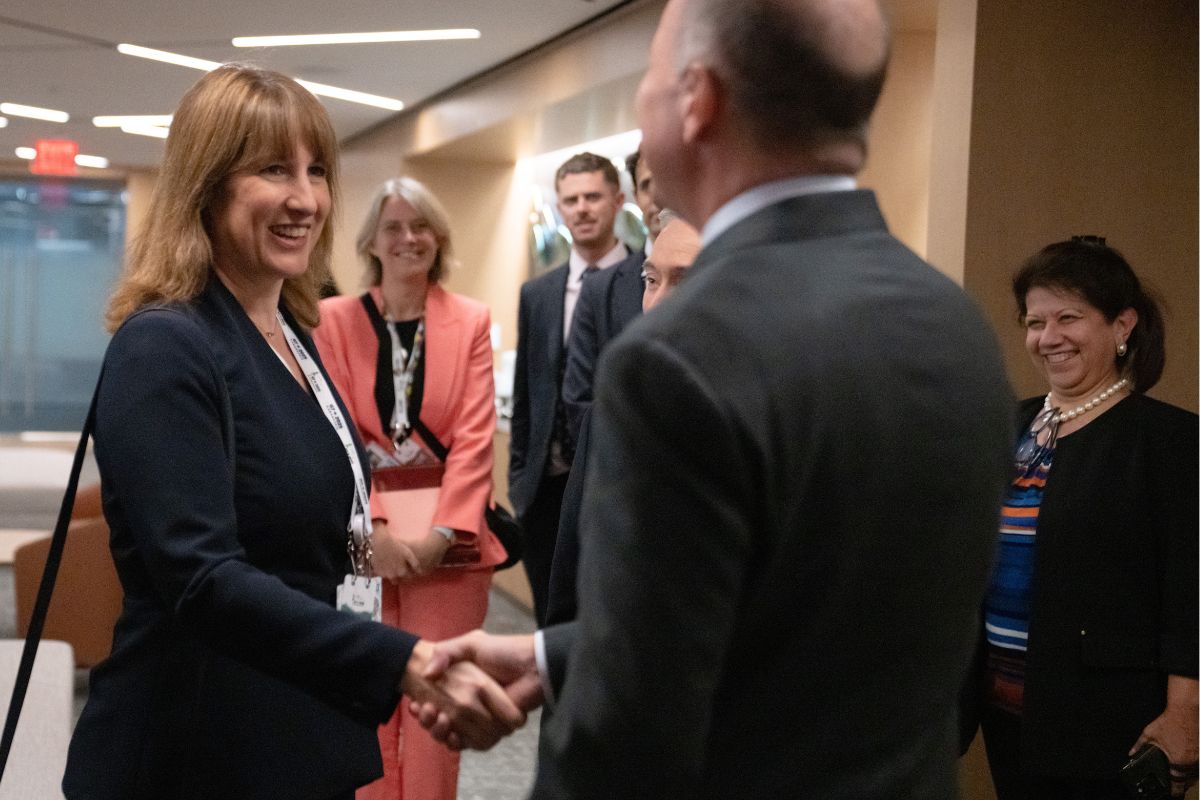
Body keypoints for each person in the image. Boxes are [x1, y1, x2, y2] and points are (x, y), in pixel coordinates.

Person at [418, 1, 1014, 798]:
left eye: (651, 74)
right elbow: (805, 617)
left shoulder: (679, 356)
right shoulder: (956, 324)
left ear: (696, 100)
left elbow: (629, 730)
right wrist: (548, 655)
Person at [62, 65, 522, 800]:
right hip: (196, 752)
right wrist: (403, 661)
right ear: (206, 186)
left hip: (294, 730)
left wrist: (378, 562)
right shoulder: (166, 345)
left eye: (317, 171)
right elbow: (202, 579)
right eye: (273, 169)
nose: (305, 199)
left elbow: (304, 521)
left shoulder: (290, 336)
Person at [962, 237, 1198, 800]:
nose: (1049, 337)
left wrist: (1186, 712)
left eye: (1068, 318)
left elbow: (1190, 590)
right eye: (1035, 322)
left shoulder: (1172, 441)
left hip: (1113, 728)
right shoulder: (1007, 427)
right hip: (1006, 715)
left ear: (1122, 326)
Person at [312, 177, 506, 800]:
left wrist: (441, 536)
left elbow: (475, 439)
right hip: (361, 534)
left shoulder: (471, 319)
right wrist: (375, 532)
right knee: (365, 691)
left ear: (438, 237)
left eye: (421, 225)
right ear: (371, 241)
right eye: (393, 227)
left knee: (437, 704)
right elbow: (335, 432)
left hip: (452, 543)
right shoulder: (333, 320)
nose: (408, 238)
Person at [545, 214, 699, 626]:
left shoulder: (783, 424)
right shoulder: (609, 418)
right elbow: (570, 589)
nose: (656, 304)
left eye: (684, 281)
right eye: (651, 281)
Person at [508, 152, 628, 625]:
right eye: (571, 200)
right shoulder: (537, 293)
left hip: (613, 485)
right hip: (546, 490)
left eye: (592, 197)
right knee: (549, 623)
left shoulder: (647, 280)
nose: (581, 209)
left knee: (607, 624)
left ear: (617, 200)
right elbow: (525, 393)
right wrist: (520, 483)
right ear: (558, 207)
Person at [560, 149, 658, 440]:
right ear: (636, 197)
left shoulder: (717, 271)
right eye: (647, 185)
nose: (659, 195)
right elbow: (579, 399)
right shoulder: (600, 288)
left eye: (592, 197)